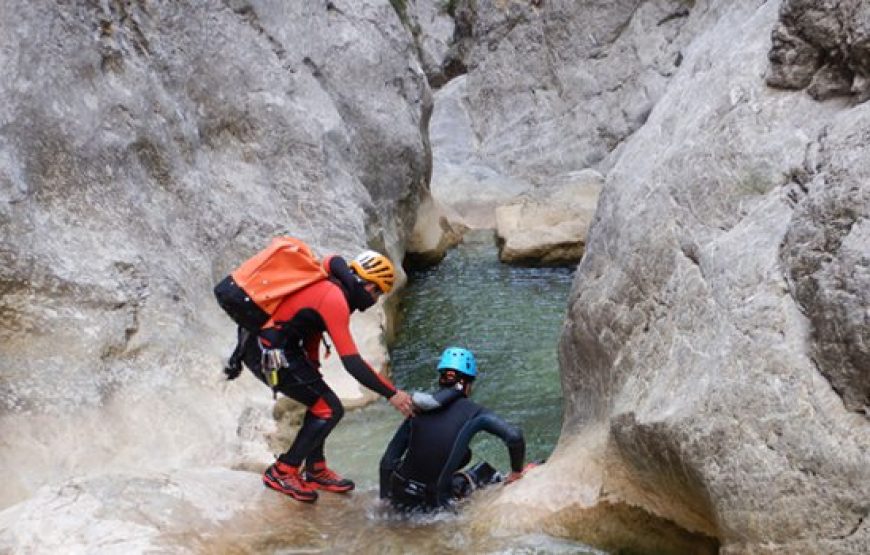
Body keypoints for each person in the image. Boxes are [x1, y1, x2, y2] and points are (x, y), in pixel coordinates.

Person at [235, 250, 415, 503]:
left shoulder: (330, 285)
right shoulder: (335, 299)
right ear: (371, 286)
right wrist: (392, 394)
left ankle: (315, 469)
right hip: (267, 352)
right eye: (378, 293)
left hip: (271, 345)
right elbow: (352, 362)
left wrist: (314, 370)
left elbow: (310, 330)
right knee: (330, 408)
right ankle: (283, 471)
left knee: (321, 401)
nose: (374, 300)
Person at [379, 347, 527, 512]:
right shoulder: (475, 412)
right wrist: (516, 472)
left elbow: (387, 462)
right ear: (468, 384)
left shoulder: (418, 410)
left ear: (441, 379)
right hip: (432, 502)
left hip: (399, 493)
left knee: (464, 455)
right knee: (484, 471)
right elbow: (515, 437)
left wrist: (385, 502)